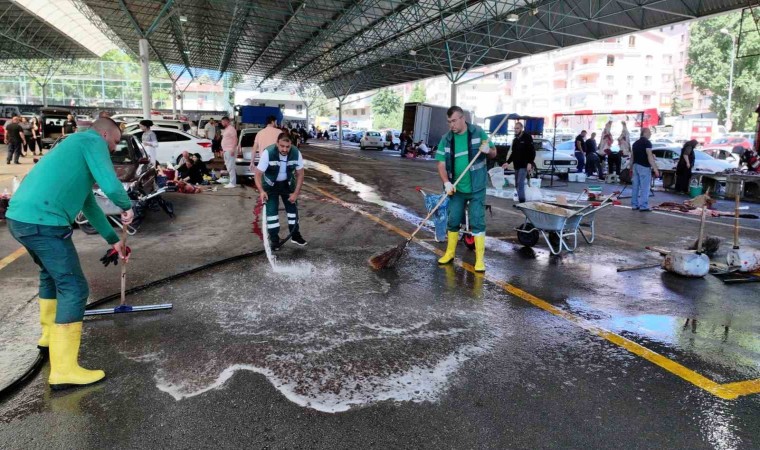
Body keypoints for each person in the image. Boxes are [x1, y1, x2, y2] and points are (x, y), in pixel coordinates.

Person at [5, 118, 133, 390]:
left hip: (20, 219)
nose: (113, 147)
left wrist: (114, 240)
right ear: (104, 133)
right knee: (74, 288)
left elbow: (89, 205)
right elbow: (110, 186)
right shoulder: (91, 140)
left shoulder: (73, 148)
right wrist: (126, 205)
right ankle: (64, 370)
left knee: (50, 276)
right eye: (114, 141)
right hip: (43, 222)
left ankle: (49, 336)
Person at [436, 106, 495, 272]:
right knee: (453, 220)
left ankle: (480, 260)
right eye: (449, 122)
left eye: (454, 121)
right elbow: (440, 163)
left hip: (476, 187)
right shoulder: (446, 139)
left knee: (477, 221)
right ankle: (449, 253)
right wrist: (447, 182)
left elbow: (494, 153)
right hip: (456, 188)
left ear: (463, 118)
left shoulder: (478, 132)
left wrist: (487, 150)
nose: (451, 125)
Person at [254, 132, 307, 248]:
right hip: (270, 187)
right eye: (282, 146)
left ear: (291, 145)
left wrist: (295, 193)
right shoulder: (268, 153)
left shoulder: (296, 153)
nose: (285, 149)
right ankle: (274, 239)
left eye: (288, 147)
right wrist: (262, 191)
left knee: (293, 211)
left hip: (287, 185)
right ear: (277, 143)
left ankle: (295, 235)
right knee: (272, 213)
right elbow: (257, 174)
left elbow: (300, 174)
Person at [503, 121, 535, 203]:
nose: (516, 130)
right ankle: (521, 200)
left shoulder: (527, 137)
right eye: (515, 128)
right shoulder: (515, 140)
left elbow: (532, 151)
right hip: (516, 165)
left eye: (517, 128)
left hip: (524, 165)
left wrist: (530, 163)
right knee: (517, 184)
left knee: (520, 183)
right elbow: (513, 153)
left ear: (521, 128)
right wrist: (507, 162)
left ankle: (522, 202)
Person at [629, 127, 660, 211]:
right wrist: (655, 169)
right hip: (644, 166)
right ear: (645, 133)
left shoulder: (635, 143)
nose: (650, 134)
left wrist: (630, 168)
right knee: (645, 187)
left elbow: (632, 157)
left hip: (635, 166)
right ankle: (643, 206)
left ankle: (634, 205)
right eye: (649, 132)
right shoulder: (647, 143)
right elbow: (649, 156)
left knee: (635, 186)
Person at [220, 116, 238, 188]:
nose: (222, 123)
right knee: (228, 166)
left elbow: (235, 139)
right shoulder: (226, 129)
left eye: (222, 122)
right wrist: (222, 150)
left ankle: (232, 183)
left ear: (226, 121)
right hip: (226, 150)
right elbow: (225, 140)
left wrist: (233, 149)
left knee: (231, 167)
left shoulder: (231, 129)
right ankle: (230, 181)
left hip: (230, 150)